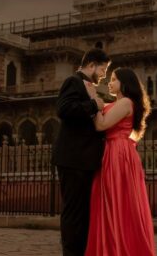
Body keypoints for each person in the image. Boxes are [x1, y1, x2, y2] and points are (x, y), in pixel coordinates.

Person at [84, 67, 156, 256]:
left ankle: (120, 248)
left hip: (118, 153)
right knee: (113, 200)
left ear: (125, 83)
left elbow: (101, 125)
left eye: (114, 79)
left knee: (118, 200)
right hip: (115, 151)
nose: (110, 82)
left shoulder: (125, 102)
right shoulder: (119, 102)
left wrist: (93, 100)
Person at [52, 48, 111, 256]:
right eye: (103, 69)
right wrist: (94, 104)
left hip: (84, 160)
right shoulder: (73, 81)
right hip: (73, 158)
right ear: (92, 65)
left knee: (84, 211)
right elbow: (64, 109)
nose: (104, 74)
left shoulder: (90, 87)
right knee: (74, 211)